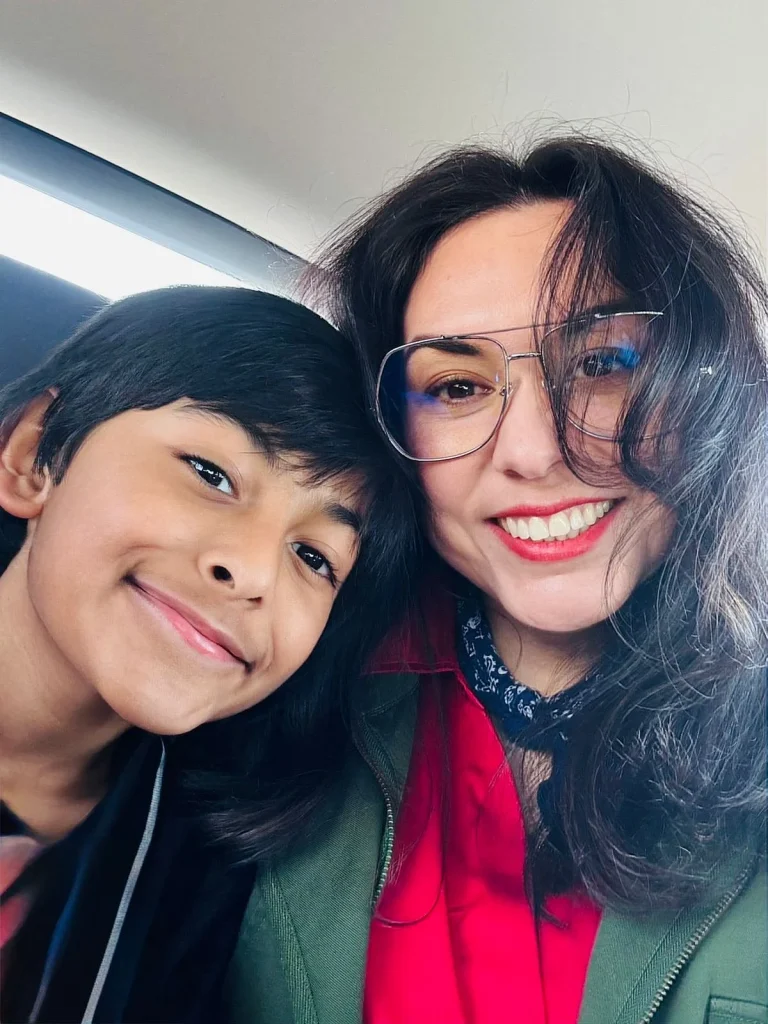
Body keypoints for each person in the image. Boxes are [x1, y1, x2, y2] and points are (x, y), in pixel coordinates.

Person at [228, 139, 768, 1024]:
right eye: (455, 387)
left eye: (604, 362)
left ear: (708, 393)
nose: (536, 450)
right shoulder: (282, 695)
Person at [0, 286, 418, 1023]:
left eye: (315, 557)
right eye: (210, 474)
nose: (253, 572)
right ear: (35, 455)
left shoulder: (209, 877)